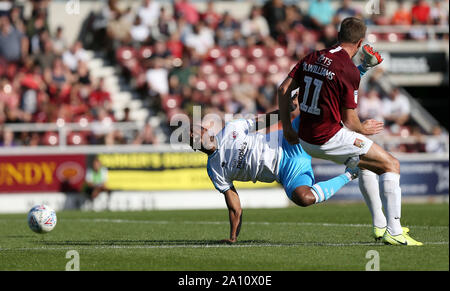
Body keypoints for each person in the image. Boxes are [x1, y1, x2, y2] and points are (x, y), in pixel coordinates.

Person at [278, 17, 422, 246]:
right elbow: (351, 121)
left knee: (366, 164)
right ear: (361, 41)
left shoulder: (313, 56)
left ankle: (380, 226)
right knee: (392, 164)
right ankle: (394, 231)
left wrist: (287, 127)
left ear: (338, 35)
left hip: (305, 138)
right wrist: (364, 127)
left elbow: (284, 88)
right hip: (328, 138)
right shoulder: (347, 69)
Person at [187, 107, 359, 244]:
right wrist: (233, 237)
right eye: (192, 139)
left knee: (312, 112)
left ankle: (357, 77)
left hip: (288, 141)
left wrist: (287, 108)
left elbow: (263, 121)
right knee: (304, 198)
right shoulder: (214, 169)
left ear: (206, 131)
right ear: (194, 147)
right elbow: (234, 206)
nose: (196, 137)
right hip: (287, 171)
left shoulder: (232, 128)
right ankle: (351, 173)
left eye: (196, 133)